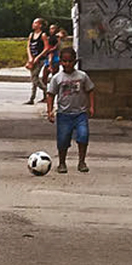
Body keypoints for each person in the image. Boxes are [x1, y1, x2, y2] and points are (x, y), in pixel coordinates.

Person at [45, 45, 94, 173]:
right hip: (64, 114)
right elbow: (50, 95)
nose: (67, 64)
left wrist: (91, 106)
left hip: (80, 113)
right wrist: (50, 111)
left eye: (70, 61)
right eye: (64, 61)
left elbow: (90, 90)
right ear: (60, 62)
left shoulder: (82, 76)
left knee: (83, 136)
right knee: (63, 139)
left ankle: (82, 161)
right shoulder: (57, 78)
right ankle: (62, 163)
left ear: (75, 61)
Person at [25, 17, 46, 104]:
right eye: (33, 23)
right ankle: (32, 98)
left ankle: (46, 90)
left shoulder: (43, 35)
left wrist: (38, 57)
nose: (33, 24)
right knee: (34, 79)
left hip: (40, 60)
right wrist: (30, 57)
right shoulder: (31, 35)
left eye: (35, 23)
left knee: (34, 77)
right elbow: (28, 46)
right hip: (32, 59)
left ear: (40, 25)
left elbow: (46, 47)